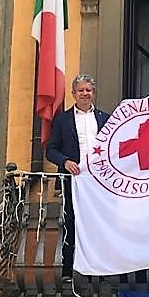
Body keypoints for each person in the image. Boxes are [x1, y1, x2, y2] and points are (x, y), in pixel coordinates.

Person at [45, 74, 110, 280]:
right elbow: (51, 150)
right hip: (72, 180)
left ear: (94, 93)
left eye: (88, 90)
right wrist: (65, 161)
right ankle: (67, 271)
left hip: (98, 182)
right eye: (80, 90)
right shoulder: (62, 119)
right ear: (73, 94)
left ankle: (97, 270)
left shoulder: (105, 119)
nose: (85, 93)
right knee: (71, 222)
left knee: (97, 224)